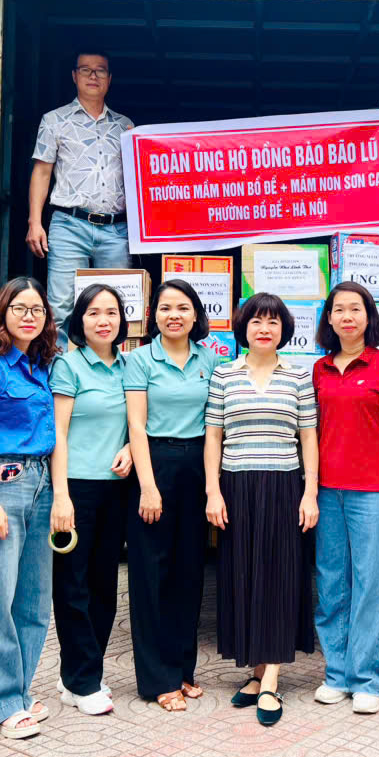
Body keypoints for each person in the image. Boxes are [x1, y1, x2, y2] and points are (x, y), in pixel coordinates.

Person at [205, 294, 319, 727]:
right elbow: (213, 437)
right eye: (256, 321)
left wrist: (310, 493)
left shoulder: (298, 376)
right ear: (243, 328)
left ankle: (270, 678)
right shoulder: (224, 375)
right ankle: (256, 672)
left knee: (279, 578)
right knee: (243, 576)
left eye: (273, 321)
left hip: (284, 485)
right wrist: (213, 491)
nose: (264, 328)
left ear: (284, 329)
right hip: (236, 485)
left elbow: (308, 438)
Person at [310, 281, 379, 716]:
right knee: (331, 582)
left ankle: (367, 678)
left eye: (356, 309)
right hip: (326, 489)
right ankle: (336, 673)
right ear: (329, 319)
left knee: (371, 583)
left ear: (369, 316)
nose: (347, 317)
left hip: (372, 490)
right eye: (339, 310)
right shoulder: (318, 369)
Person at [0, 277, 59, 738]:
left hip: (41, 483)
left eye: (37, 310)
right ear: (2, 312)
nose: (28, 316)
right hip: (3, 482)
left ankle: (19, 692)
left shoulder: (41, 367)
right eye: (19, 308)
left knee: (34, 600)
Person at [122, 278, 218, 712]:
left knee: (189, 572)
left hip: (198, 465)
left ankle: (183, 670)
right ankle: (157, 679)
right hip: (155, 463)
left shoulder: (211, 360)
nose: (173, 315)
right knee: (151, 575)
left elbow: (215, 424)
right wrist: (147, 485)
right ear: (153, 315)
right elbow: (136, 425)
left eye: (182, 307)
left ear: (196, 314)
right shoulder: (140, 360)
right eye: (164, 308)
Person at [49, 284, 134, 717]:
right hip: (76, 488)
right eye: (94, 312)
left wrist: (131, 448)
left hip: (116, 488)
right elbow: (58, 433)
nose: (104, 320)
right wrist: (61, 495)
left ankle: (83, 675)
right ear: (79, 320)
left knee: (104, 585)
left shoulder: (129, 366)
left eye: (112, 312)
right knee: (72, 586)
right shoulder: (69, 365)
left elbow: (139, 422)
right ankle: (81, 680)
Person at [26, 49, 134, 347]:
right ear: (74, 76)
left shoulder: (125, 126)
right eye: (85, 69)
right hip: (69, 225)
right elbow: (42, 172)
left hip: (115, 229)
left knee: (117, 306)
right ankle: (61, 370)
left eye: (100, 70)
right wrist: (35, 222)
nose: (93, 76)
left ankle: (112, 368)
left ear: (109, 79)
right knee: (61, 307)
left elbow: (138, 178)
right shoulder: (54, 120)